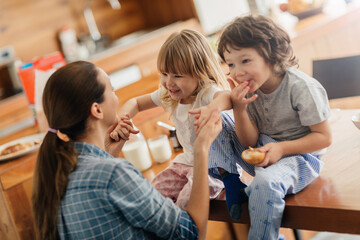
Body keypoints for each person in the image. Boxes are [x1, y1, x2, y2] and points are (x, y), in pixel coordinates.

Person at [31, 60, 223, 240]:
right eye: (112, 90)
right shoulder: (113, 174)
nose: (117, 97)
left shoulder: (58, 174)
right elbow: (191, 232)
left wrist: (109, 154)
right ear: (97, 110)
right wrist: (201, 150)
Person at [203, 15, 331, 239]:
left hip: (301, 159)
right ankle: (232, 182)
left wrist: (281, 149)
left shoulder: (301, 87)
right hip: (264, 154)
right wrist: (240, 109)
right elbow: (249, 143)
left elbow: (324, 138)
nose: (237, 72)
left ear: (270, 56)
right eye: (231, 64)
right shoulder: (252, 90)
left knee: (263, 182)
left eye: (245, 61)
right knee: (216, 120)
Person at [110, 29, 236, 209]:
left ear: (200, 72)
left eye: (177, 76)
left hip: (215, 169)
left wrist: (210, 109)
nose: (168, 82)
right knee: (151, 195)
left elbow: (228, 97)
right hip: (186, 164)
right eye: (164, 74)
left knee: (184, 202)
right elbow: (135, 102)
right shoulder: (169, 95)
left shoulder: (207, 93)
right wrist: (121, 120)